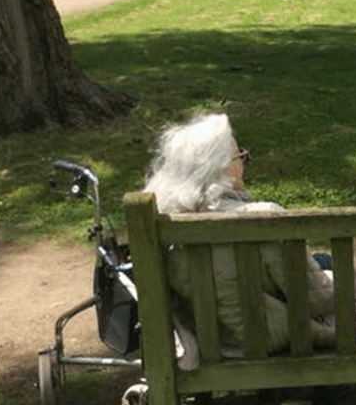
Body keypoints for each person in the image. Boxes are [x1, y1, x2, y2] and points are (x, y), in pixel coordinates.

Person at [142, 113, 335, 355]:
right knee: (327, 266)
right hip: (272, 335)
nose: (243, 162)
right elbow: (314, 299)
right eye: (239, 156)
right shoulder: (266, 218)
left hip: (210, 342)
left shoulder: (164, 224)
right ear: (221, 168)